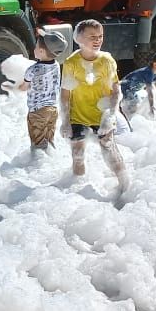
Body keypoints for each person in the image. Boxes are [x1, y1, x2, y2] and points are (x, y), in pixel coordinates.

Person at [60, 19, 130, 192]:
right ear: (79, 39)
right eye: (92, 37)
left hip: (102, 114)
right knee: (77, 154)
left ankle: (125, 187)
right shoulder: (71, 62)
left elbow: (116, 91)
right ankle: (77, 190)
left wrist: (110, 116)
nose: (98, 40)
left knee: (109, 147)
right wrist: (65, 121)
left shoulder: (107, 61)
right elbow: (65, 94)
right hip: (78, 114)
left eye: (100, 36)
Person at [12, 29, 67, 152]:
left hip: (38, 112)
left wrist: (15, 88)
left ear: (41, 51)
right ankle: (51, 163)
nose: (34, 48)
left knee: (38, 145)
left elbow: (24, 87)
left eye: (36, 46)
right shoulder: (57, 65)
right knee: (49, 142)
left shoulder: (32, 70)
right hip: (53, 110)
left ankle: (37, 166)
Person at [119, 51, 156, 125]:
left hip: (130, 91)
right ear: (155, 64)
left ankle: (128, 122)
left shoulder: (154, 75)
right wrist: (152, 106)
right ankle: (127, 124)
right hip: (124, 89)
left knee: (136, 107)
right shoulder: (148, 73)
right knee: (132, 108)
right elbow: (149, 91)